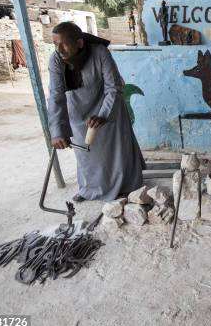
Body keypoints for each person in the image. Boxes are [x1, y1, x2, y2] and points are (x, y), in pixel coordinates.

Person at [47, 22, 145, 202]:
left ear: (80, 43)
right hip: (78, 110)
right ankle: (89, 189)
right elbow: (55, 96)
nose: (59, 49)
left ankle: (125, 187)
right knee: (86, 155)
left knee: (116, 151)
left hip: (108, 107)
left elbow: (113, 88)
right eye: (55, 44)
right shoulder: (55, 60)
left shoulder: (100, 52)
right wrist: (57, 131)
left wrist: (103, 115)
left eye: (64, 44)